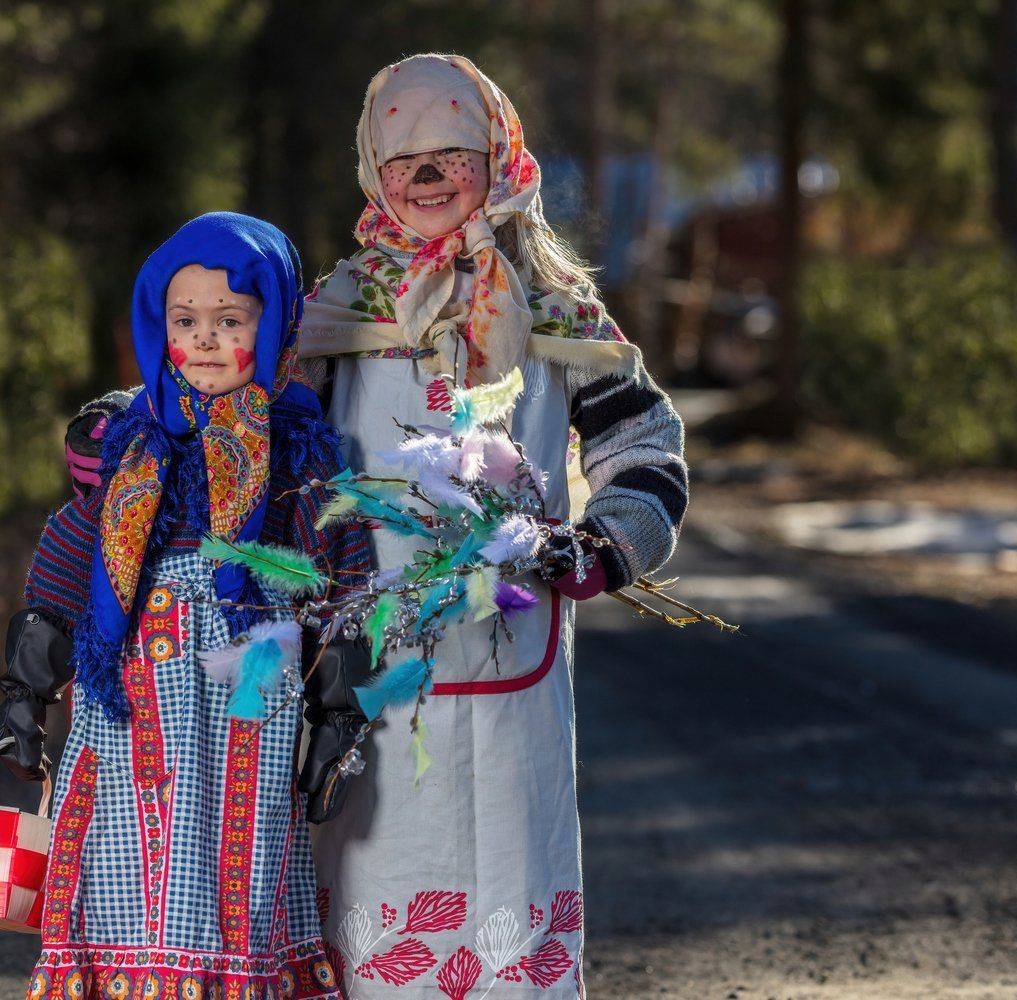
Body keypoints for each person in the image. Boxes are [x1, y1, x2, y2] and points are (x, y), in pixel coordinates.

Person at [298, 55, 689, 997]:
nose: (427, 176)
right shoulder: (333, 315)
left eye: (452, 155)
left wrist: (608, 543)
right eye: (404, 160)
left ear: (499, 157)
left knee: (512, 880)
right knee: (376, 876)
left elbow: (644, 442)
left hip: (516, 653)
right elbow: (258, 440)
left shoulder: (556, 307)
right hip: (368, 663)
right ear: (373, 172)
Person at [0, 212, 370, 999]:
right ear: (157, 326)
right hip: (131, 707)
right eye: (185, 320)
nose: (204, 340)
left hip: (247, 709)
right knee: (116, 864)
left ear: (275, 326)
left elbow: (340, 582)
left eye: (230, 320)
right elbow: (68, 565)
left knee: (240, 875)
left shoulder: (298, 452)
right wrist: (26, 687)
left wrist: (338, 713)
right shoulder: (132, 444)